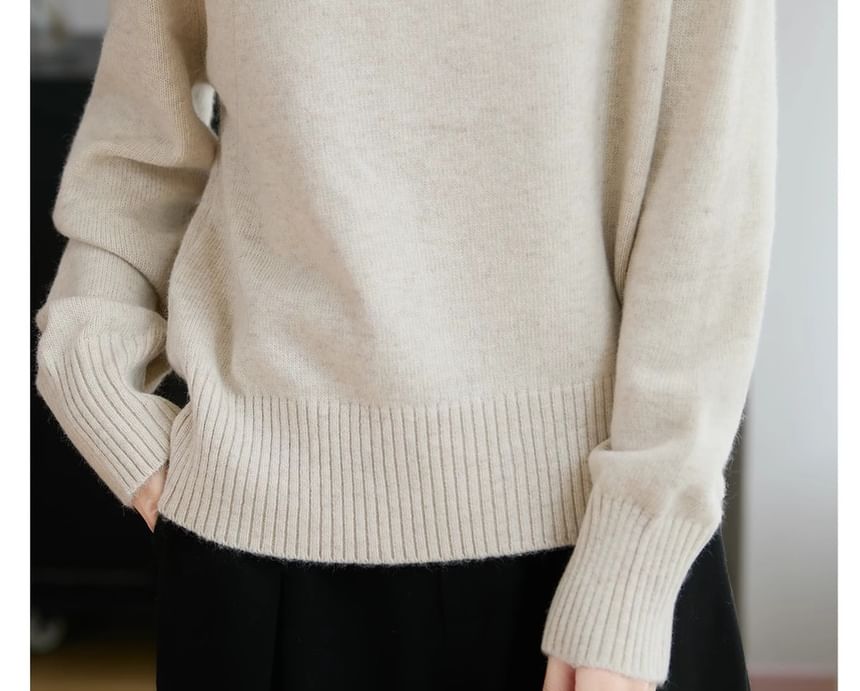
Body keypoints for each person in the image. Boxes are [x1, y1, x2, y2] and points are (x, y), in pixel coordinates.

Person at [33, 1, 776, 690]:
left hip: (594, 560)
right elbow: (136, 149)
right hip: (260, 536)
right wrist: (90, 367)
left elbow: (708, 192)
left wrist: (632, 564)